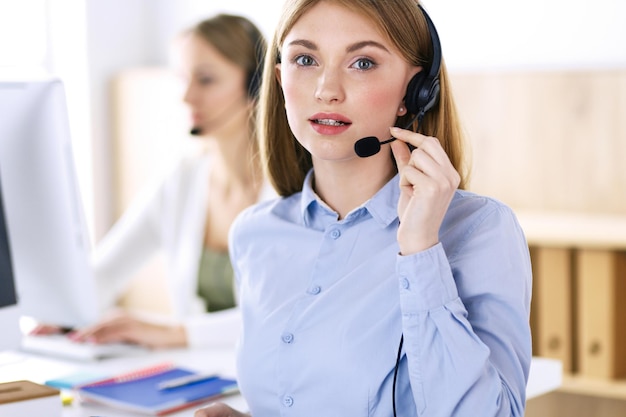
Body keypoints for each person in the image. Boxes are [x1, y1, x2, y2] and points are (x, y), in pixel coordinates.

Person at [194, 0, 532, 416]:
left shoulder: (480, 230)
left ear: (416, 91)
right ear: (280, 80)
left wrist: (421, 250)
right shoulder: (255, 234)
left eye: (363, 63)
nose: (327, 89)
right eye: (305, 59)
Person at [32, 14, 273, 349]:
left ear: (255, 85)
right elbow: (103, 273)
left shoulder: (290, 187)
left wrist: (173, 333)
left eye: (205, 80)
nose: (186, 97)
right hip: (202, 369)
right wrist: (60, 313)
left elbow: (282, 316)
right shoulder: (183, 180)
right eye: (182, 79)